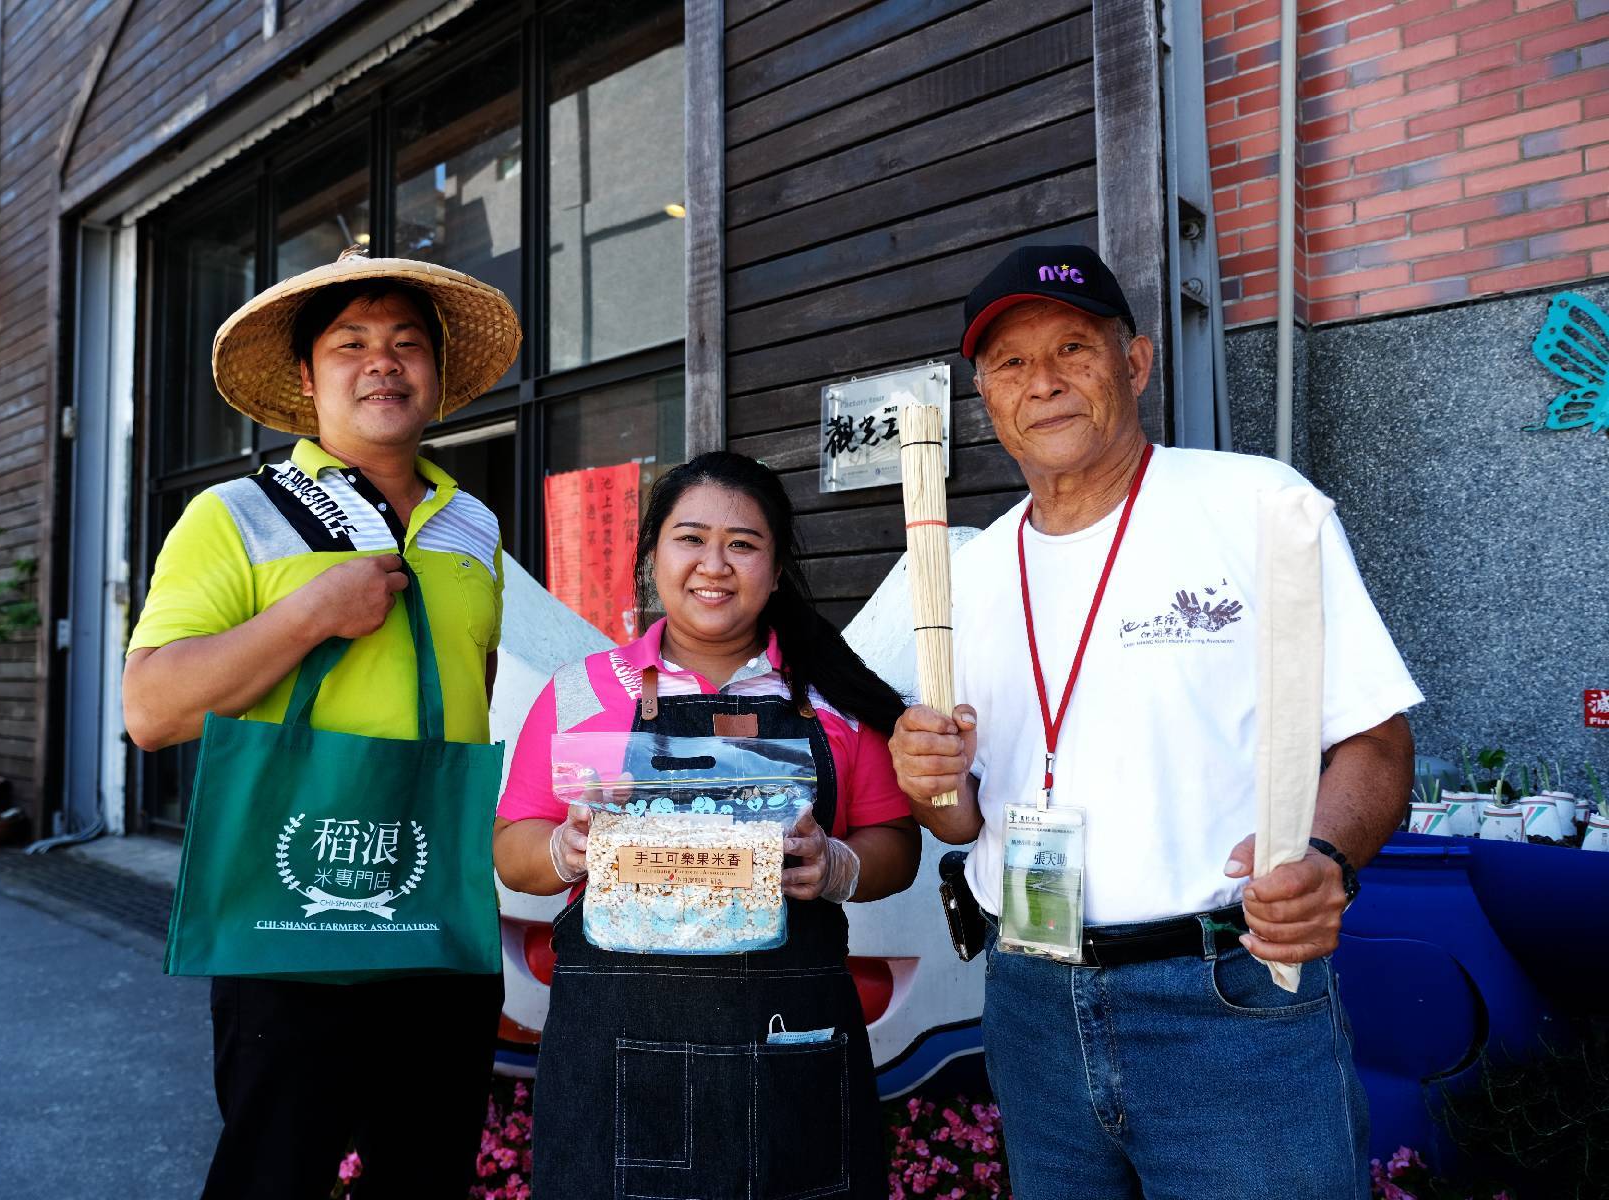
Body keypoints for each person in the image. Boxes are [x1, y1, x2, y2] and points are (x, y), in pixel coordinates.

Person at [889, 243, 1421, 1200]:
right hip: (1032, 1002)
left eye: (1073, 350)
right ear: (985, 398)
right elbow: (961, 820)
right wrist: (927, 781)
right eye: (1011, 363)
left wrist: (1327, 860)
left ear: (1133, 362)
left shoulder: (1257, 503)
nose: (1043, 383)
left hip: (1228, 994)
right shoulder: (961, 577)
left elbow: (1375, 740)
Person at [122, 247, 521, 1199]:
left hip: (435, 909)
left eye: (406, 343)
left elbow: (477, 690)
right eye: (351, 343)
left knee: (427, 1172)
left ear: (433, 372)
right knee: (275, 1172)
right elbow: (149, 708)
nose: (382, 362)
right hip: (287, 909)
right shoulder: (236, 514)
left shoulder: (476, 527)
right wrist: (308, 614)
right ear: (306, 378)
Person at [494, 451, 921, 1199]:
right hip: (613, 1053)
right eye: (690, 538)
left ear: (777, 567)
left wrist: (840, 868)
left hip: (788, 1047)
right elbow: (512, 849)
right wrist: (564, 849)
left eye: (743, 544)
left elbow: (898, 847)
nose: (714, 565)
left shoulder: (836, 701)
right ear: (652, 552)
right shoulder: (578, 694)